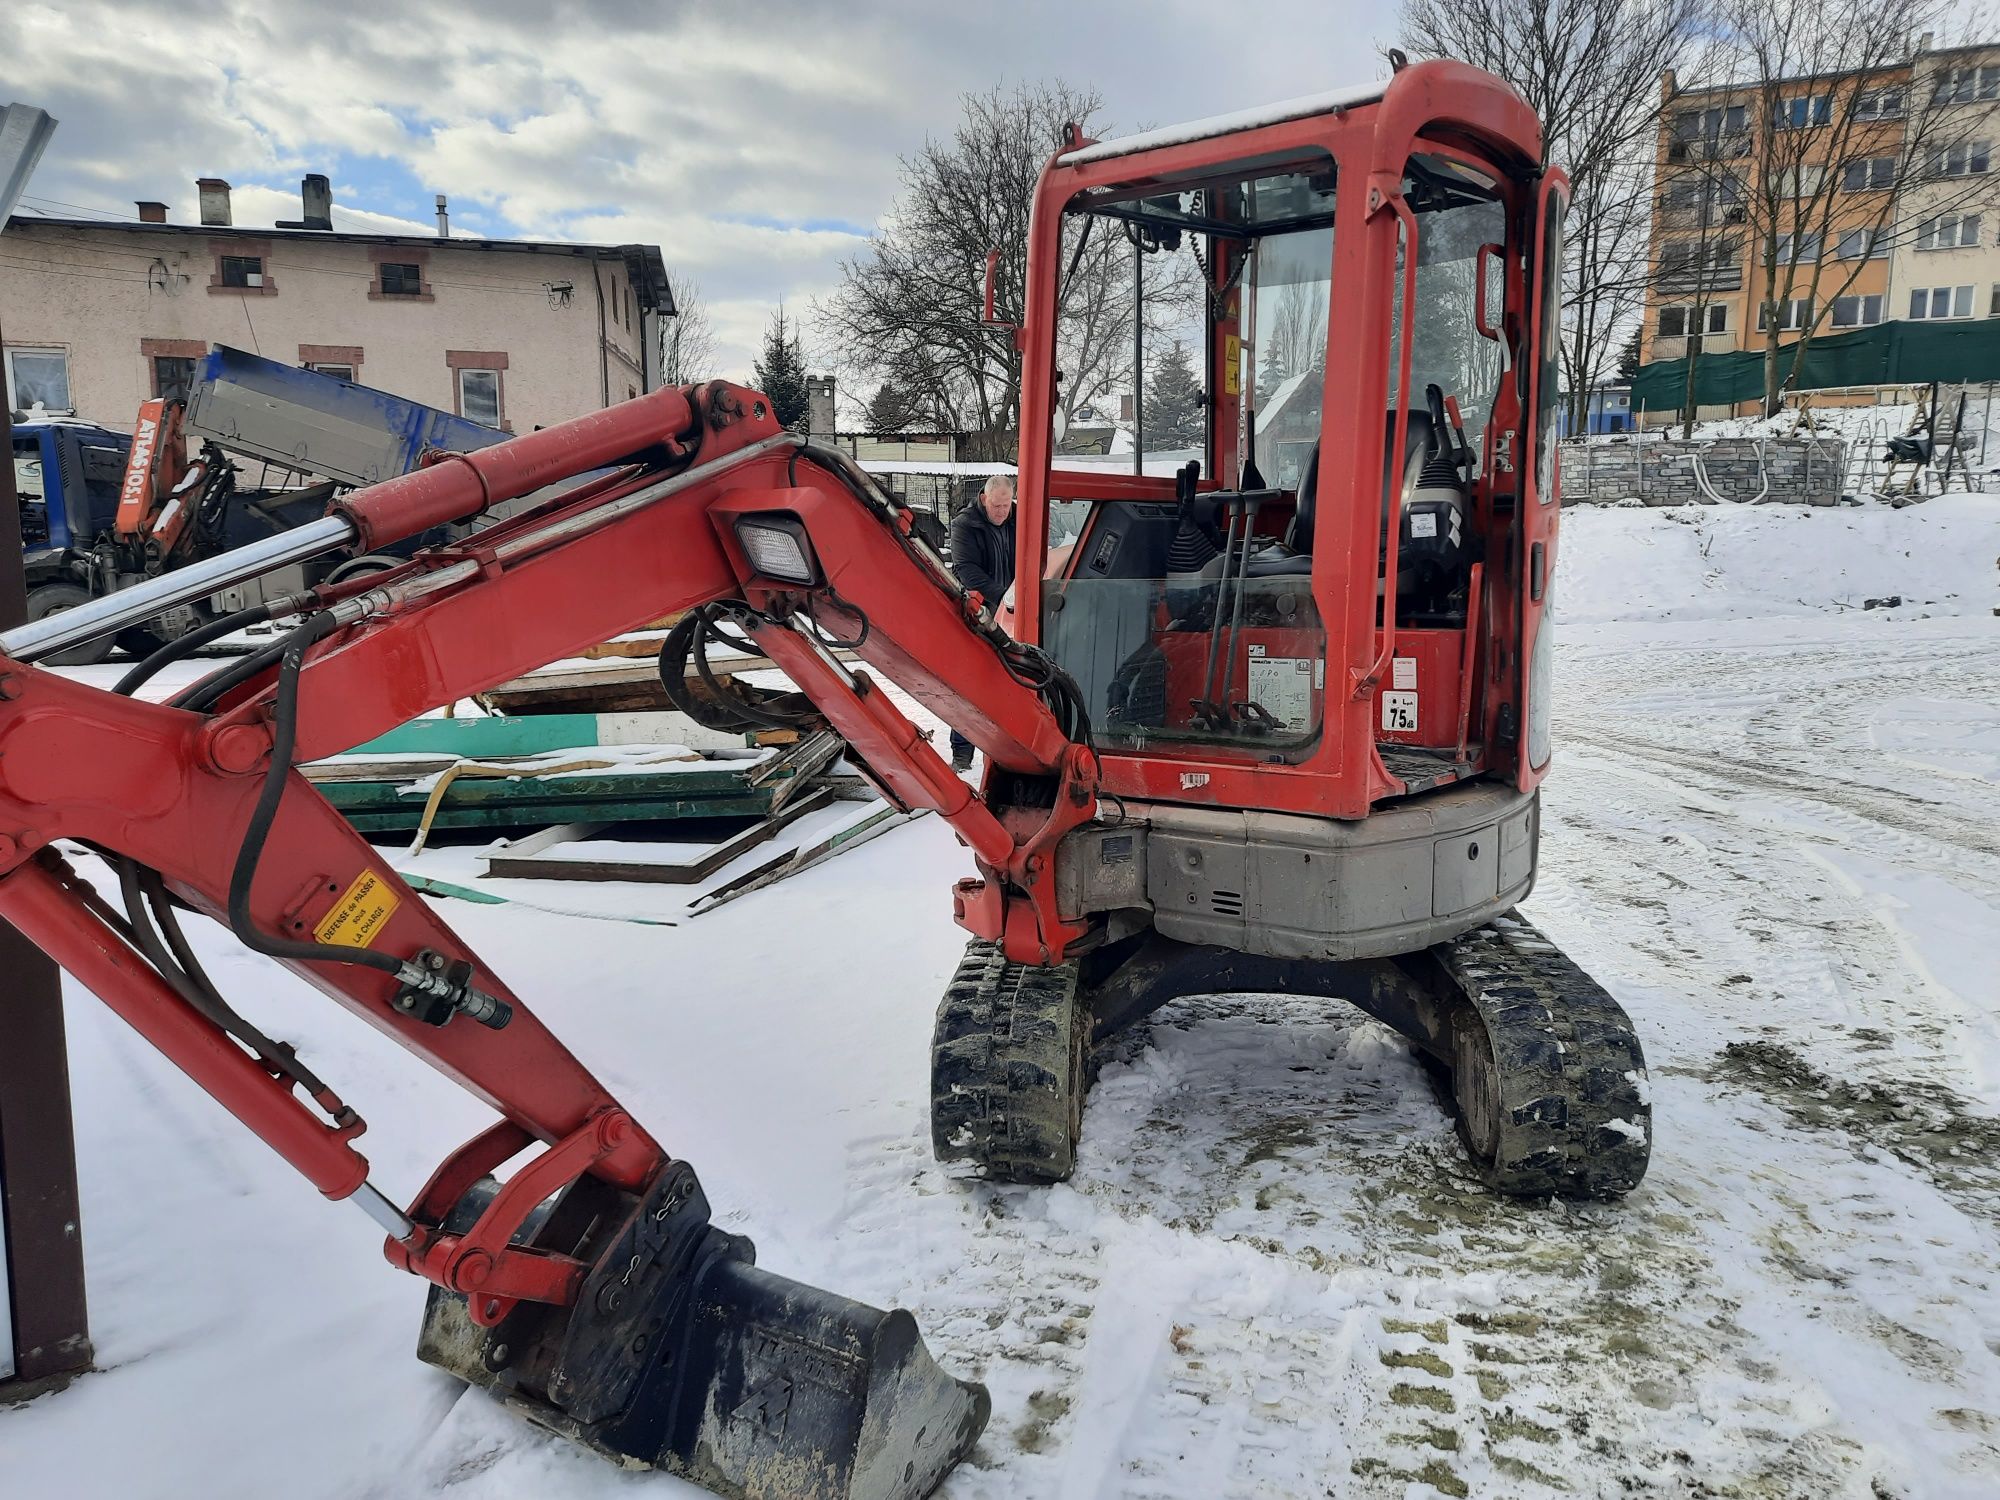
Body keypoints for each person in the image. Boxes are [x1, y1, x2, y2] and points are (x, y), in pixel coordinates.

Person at [945, 473, 1017, 770]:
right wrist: (1006, 598)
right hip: (979, 613)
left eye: (1007, 506)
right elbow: (967, 570)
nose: (1002, 512)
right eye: (997, 506)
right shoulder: (966, 525)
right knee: (971, 684)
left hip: (1012, 612)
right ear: (984, 499)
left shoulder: (1017, 520)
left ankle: (1008, 752)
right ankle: (962, 752)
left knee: (1013, 681)